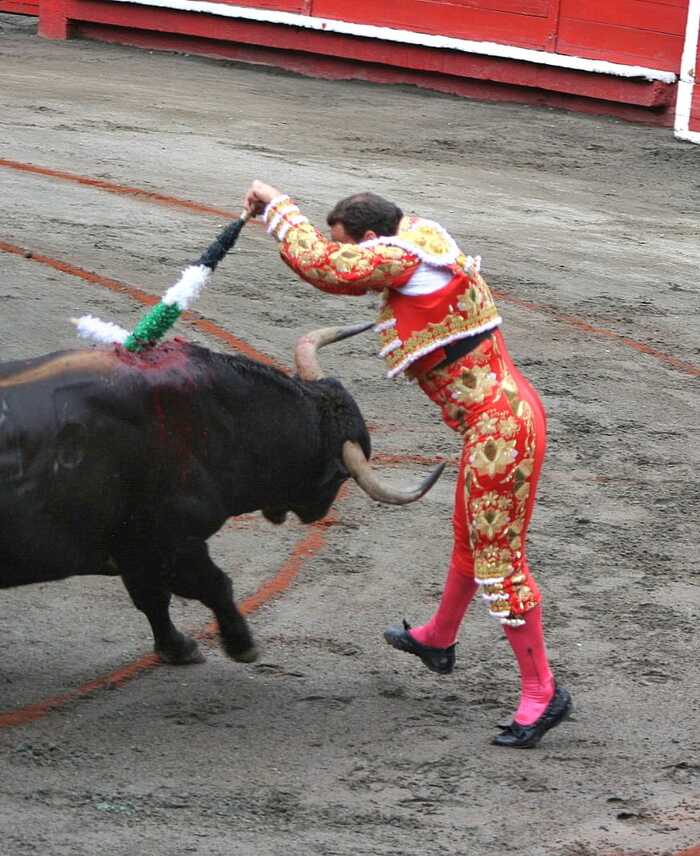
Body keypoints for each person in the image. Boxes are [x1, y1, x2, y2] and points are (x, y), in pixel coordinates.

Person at [243, 181, 572, 748]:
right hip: (503, 417)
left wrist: (276, 206)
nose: (343, 251)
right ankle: (437, 638)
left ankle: (542, 693)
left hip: (501, 430)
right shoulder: (420, 235)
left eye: (348, 242)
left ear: (372, 237)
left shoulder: (402, 256)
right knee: (471, 539)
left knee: (500, 565)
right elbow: (340, 261)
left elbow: (325, 268)